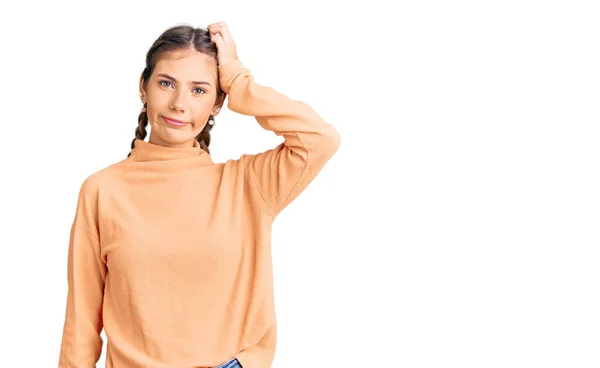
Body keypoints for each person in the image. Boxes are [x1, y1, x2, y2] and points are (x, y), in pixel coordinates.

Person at [57, 21, 340, 368]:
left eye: (199, 90)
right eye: (166, 83)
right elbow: (82, 320)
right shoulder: (102, 190)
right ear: (143, 88)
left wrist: (238, 80)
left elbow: (319, 139)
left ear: (218, 103)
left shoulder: (248, 185)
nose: (179, 103)